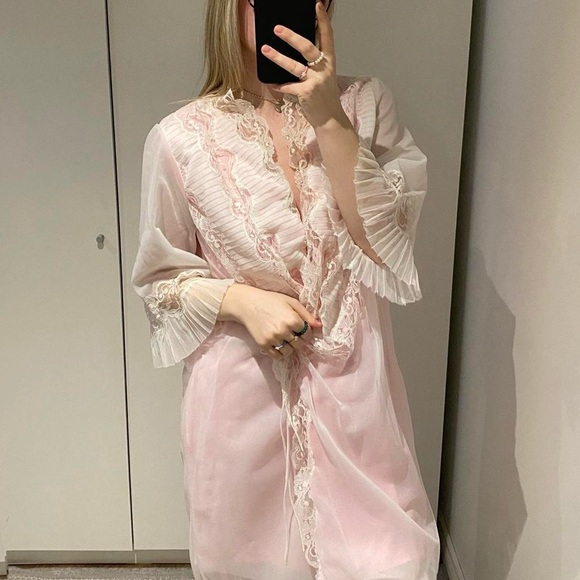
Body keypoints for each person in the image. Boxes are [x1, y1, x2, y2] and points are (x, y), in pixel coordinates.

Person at [131, 0, 441, 578]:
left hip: (358, 405)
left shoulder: (365, 105)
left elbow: (386, 247)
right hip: (241, 406)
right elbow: (159, 278)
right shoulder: (179, 138)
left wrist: (330, 120)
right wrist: (240, 300)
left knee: (392, 561)